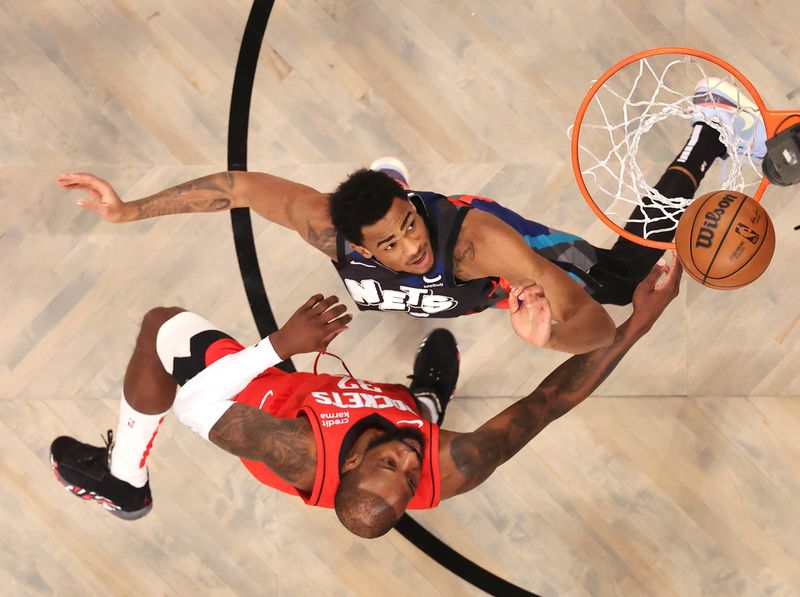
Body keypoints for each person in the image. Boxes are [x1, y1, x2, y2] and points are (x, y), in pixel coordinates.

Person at [51, 256, 682, 538]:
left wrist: (278, 345)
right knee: (417, 420)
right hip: (353, 405)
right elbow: (549, 401)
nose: (410, 459)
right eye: (410, 474)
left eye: (390, 462)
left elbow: (191, 407)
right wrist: (639, 324)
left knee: (162, 325)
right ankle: (428, 401)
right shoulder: (452, 466)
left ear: (352, 463)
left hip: (266, 398)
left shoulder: (290, 448)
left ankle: (124, 481)